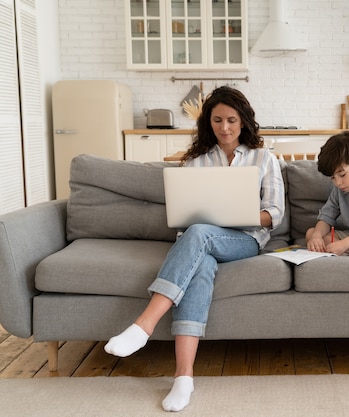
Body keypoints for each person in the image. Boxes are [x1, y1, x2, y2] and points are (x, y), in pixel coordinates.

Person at [104, 86, 285, 412]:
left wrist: (231, 216)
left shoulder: (264, 158)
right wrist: (205, 220)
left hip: (245, 239)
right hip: (199, 239)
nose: (225, 127)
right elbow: (183, 219)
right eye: (217, 120)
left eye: (232, 120)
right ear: (209, 122)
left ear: (243, 121)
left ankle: (143, 326)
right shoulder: (196, 163)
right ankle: (183, 378)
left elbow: (273, 214)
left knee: (200, 233)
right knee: (199, 265)